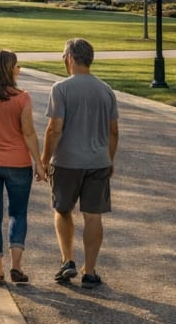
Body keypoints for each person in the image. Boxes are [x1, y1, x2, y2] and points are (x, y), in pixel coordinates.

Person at [42, 38, 119, 289]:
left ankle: (67, 261)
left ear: (71, 58)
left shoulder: (61, 88)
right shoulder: (106, 90)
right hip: (98, 161)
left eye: (64, 57)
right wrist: (109, 159)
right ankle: (90, 270)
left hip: (66, 161)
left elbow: (54, 129)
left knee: (63, 210)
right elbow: (113, 131)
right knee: (93, 215)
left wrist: (44, 160)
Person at [0, 50, 47, 286]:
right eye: (16, 65)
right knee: (18, 213)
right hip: (18, 163)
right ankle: (16, 266)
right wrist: (40, 163)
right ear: (8, 69)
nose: (19, 69)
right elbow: (28, 133)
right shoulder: (22, 98)